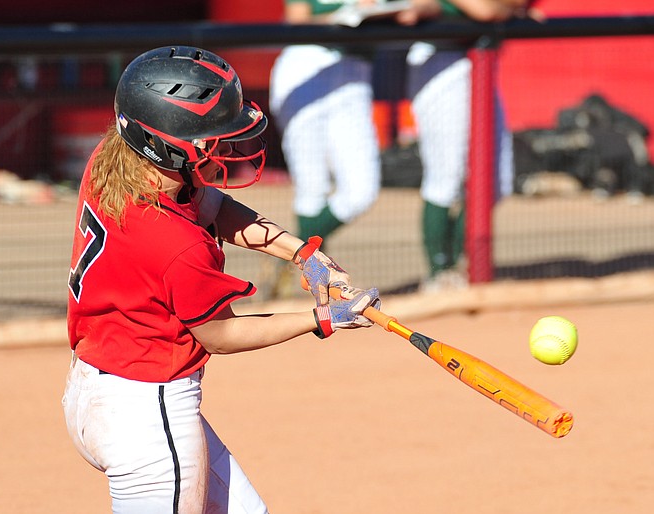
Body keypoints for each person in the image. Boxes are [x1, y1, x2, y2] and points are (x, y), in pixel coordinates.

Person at [62, 45, 381, 514]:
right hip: (148, 417)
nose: (227, 150)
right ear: (165, 146)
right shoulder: (177, 246)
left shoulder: (117, 163)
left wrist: (303, 255)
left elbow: (210, 206)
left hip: (101, 386)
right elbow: (221, 333)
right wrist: (320, 319)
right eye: (212, 142)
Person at [268, 0, 440, 296]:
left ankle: (293, 252)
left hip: (356, 72)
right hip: (306, 64)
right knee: (311, 187)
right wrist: (342, 17)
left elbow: (428, 6)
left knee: (362, 190)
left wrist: (402, 11)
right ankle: (314, 282)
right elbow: (296, 19)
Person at [405, 0, 541, 292]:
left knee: (496, 180)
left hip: (477, 60)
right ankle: (439, 272)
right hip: (439, 60)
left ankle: (458, 262)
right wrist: (513, 12)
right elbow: (486, 10)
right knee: (447, 175)